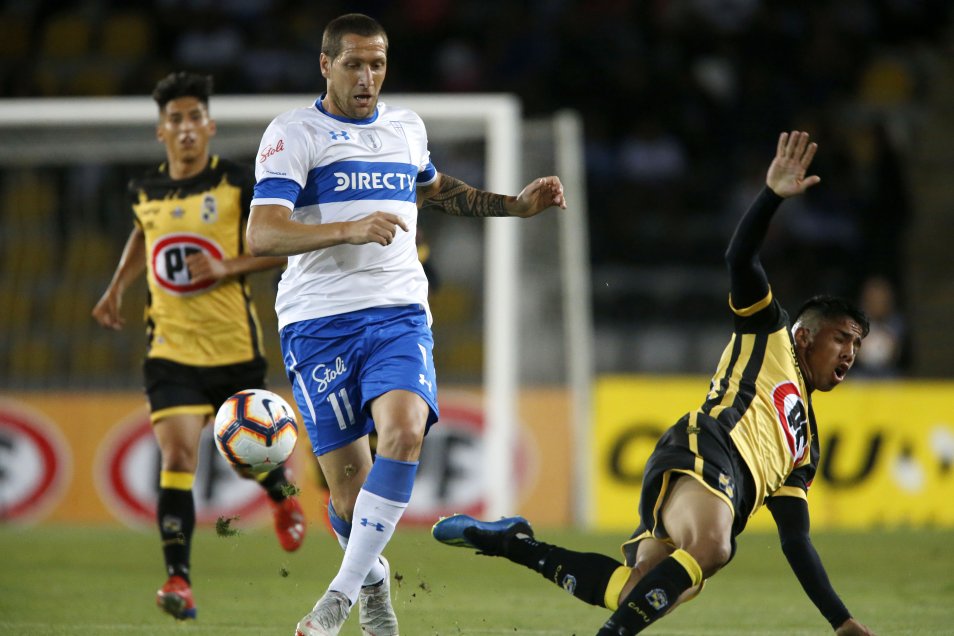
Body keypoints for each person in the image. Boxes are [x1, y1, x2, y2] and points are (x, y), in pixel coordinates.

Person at [433, 131, 877, 636]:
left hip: (725, 494)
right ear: (806, 336)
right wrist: (771, 195)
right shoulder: (770, 334)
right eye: (843, 337)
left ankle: (515, 542)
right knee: (710, 549)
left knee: (635, 588)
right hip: (707, 449)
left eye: (858, 346)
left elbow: (796, 541)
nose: (850, 353)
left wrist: (840, 621)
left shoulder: (807, 446)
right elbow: (740, 260)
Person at [245, 13, 566, 636]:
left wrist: (514, 207)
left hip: (397, 313)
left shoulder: (405, 127)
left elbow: (435, 188)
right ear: (325, 65)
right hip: (317, 323)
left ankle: (336, 598)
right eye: (354, 64)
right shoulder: (293, 134)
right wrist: (346, 226)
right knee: (347, 498)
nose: (368, 77)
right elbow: (261, 232)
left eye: (378, 64)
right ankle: (372, 582)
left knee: (405, 431)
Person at [92, 71, 306, 622]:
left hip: (234, 347)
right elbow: (144, 233)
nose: (185, 128)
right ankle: (179, 580)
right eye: (175, 119)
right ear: (161, 131)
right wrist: (117, 285)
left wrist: (227, 266)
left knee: (245, 459)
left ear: (209, 126)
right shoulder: (145, 190)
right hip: (171, 350)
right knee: (179, 456)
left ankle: (281, 496)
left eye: (194, 118)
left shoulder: (237, 182)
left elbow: (283, 245)